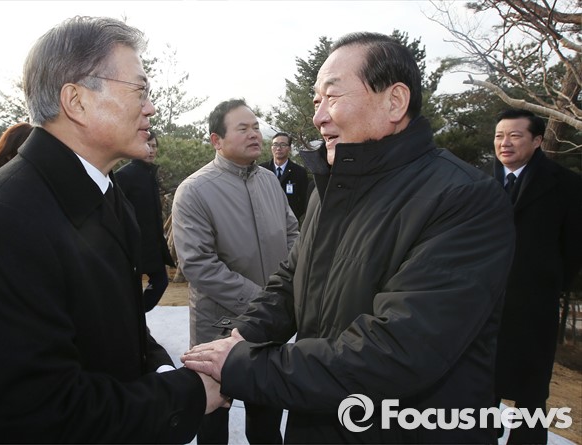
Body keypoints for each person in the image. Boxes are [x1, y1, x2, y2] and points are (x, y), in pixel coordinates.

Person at [182, 32, 516, 443]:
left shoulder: (463, 198)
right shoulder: (334, 187)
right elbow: (291, 279)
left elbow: (397, 351)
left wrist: (243, 365)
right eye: (316, 101)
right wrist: (242, 337)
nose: (319, 117)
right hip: (319, 421)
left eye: (333, 96)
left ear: (395, 101)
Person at [0, 16, 225, 443]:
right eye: (139, 90)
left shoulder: (104, 191)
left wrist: (161, 369)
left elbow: (120, 330)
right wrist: (187, 393)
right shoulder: (0, 221)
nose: (151, 107)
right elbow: (39, 416)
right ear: (77, 101)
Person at [172, 99, 299, 444]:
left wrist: (284, 295)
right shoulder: (194, 191)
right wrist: (266, 301)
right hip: (219, 328)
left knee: (266, 423)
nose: (254, 134)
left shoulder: (269, 182)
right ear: (217, 140)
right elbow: (199, 264)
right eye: (243, 128)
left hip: (268, 329)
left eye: (256, 127)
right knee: (213, 422)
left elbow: (293, 235)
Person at [491, 108, 582, 443]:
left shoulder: (567, 184)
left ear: (538, 140)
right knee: (481, 383)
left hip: (534, 305)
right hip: (483, 303)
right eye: (499, 136)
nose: (505, 143)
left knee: (530, 390)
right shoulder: (478, 182)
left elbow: (573, 248)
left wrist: (547, 282)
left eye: (515, 136)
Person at [115, 129, 176, 312]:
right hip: (132, 246)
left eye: (154, 146)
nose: (151, 150)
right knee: (131, 289)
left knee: (160, 281)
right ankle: (134, 321)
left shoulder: (150, 174)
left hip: (152, 245)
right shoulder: (124, 175)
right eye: (148, 145)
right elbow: (115, 211)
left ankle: (136, 316)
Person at [260, 132, 309, 221]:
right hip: (265, 220)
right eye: (275, 144)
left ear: (289, 148)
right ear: (271, 148)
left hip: (290, 222)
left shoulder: (299, 172)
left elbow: (304, 200)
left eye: (283, 145)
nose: (278, 148)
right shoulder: (261, 170)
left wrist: (292, 217)